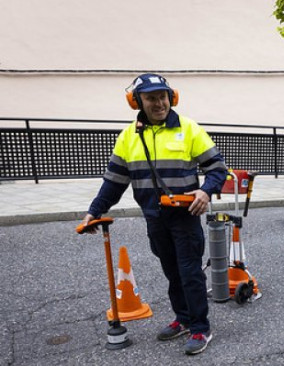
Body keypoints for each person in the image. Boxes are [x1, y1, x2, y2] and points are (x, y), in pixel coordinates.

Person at [80, 73, 227, 355]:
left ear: (172, 97)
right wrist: (94, 211)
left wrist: (205, 191)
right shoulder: (128, 136)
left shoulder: (189, 129)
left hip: (184, 217)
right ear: (137, 101)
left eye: (163, 96)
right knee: (172, 273)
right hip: (154, 218)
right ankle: (183, 319)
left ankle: (200, 327)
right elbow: (114, 181)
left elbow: (217, 169)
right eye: (151, 97)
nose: (159, 103)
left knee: (190, 273)